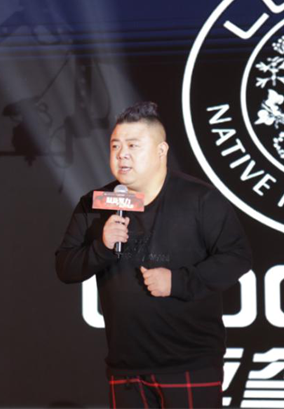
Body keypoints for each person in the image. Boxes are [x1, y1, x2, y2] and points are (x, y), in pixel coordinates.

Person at [55, 102, 252, 408]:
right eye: (115, 146)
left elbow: (238, 256)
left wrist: (179, 282)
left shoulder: (200, 199)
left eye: (133, 145)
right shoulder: (96, 204)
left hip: (189, 363)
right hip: (125, 366)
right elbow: (65, 267)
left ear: (161, 151)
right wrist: (102, 247)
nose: (122, 154)